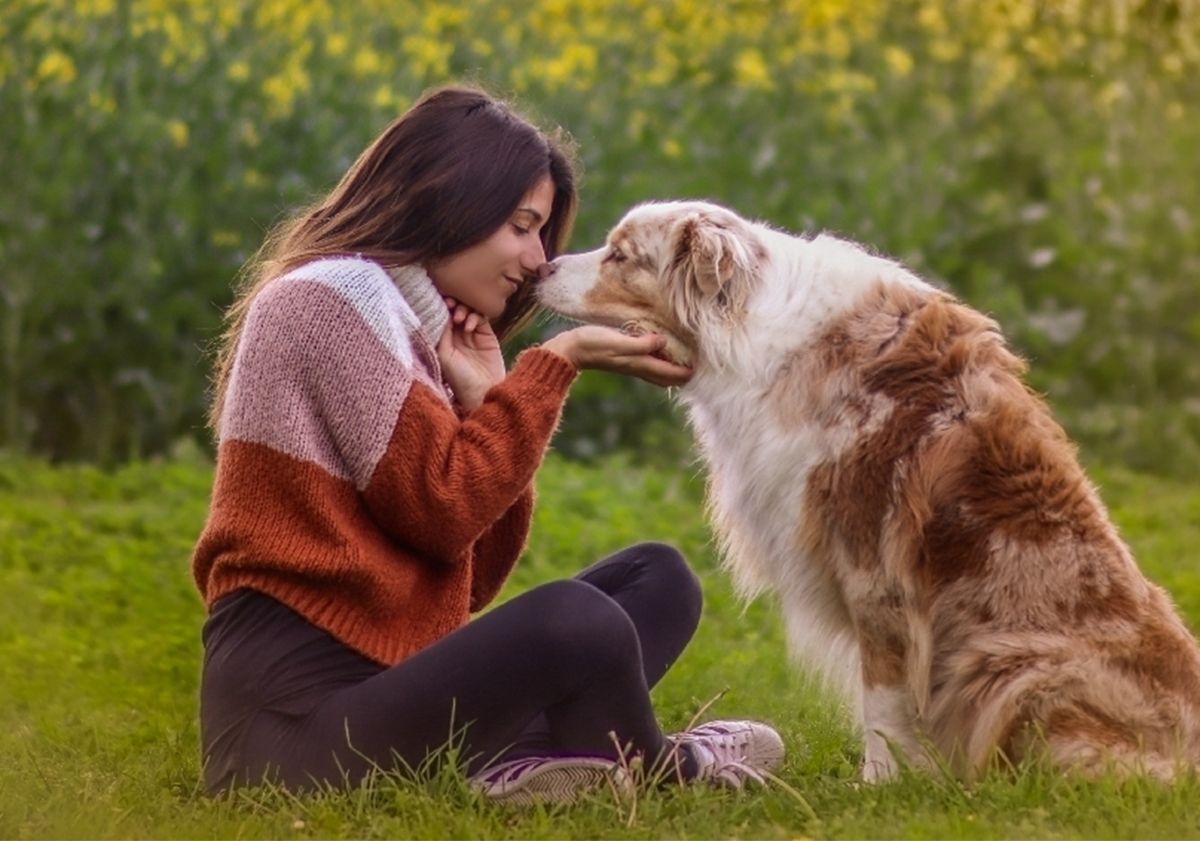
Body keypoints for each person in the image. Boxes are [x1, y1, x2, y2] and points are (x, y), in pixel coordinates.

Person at [192, 85, 784, 805]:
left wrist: (485, 402)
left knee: (658, 579)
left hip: (386, 687)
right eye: (522, 225)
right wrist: (552, 367)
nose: (538, 260)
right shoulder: (331, 297)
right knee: (579, 620)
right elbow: (442, 509)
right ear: (449, 197)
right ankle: (667, 766)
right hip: (293, 731)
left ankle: (512, 763)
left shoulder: (411, 325)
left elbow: (467, 573)